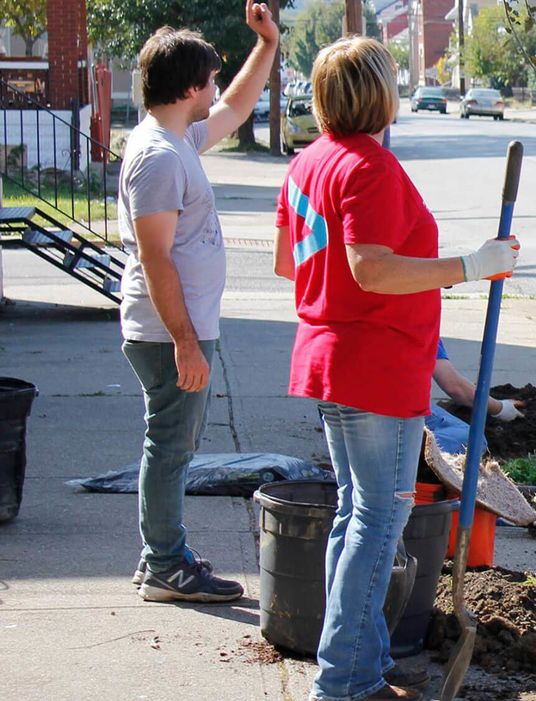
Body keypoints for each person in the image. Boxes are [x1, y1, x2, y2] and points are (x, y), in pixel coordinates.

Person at [272, 37, 519, 700]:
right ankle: (345, 680)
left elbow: (288, 263)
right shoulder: (369, 167)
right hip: (374, 369)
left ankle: (360, 659)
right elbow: (372, 268)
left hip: (331, 361)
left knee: (358, 515)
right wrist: (473, 265)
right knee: (377, 520)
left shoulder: (307, 163)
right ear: (382, 95)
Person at [120, 2, 278, 603]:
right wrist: (186, 342)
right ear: (189, 88)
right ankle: (165, 565)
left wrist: (267, 45)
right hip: (168, 332)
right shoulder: (159, 157)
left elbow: (235, 107)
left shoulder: (175, 137)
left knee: (172, 444)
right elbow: (155, 258)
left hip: (177, 329)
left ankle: (160, 558)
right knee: (170, 447)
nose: (216, 87)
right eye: (210, 79)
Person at [426, 339, 524, 455]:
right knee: (473, 441)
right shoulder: (422, 328)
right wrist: (501, 408)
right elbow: (454, 386)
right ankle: (417, 450)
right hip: (409, 410)